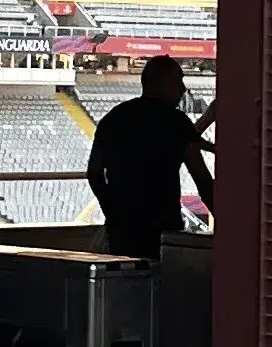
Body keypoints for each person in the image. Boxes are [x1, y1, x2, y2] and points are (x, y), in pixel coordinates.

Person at [88, 54, 215, 260]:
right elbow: (202, 179)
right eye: (178, 82)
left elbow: (94, 173)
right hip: (164, 228)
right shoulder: (176, 122)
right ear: (161, 84)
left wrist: (112, 212)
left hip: (123, 229)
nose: (183, 90)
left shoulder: (114, 118)